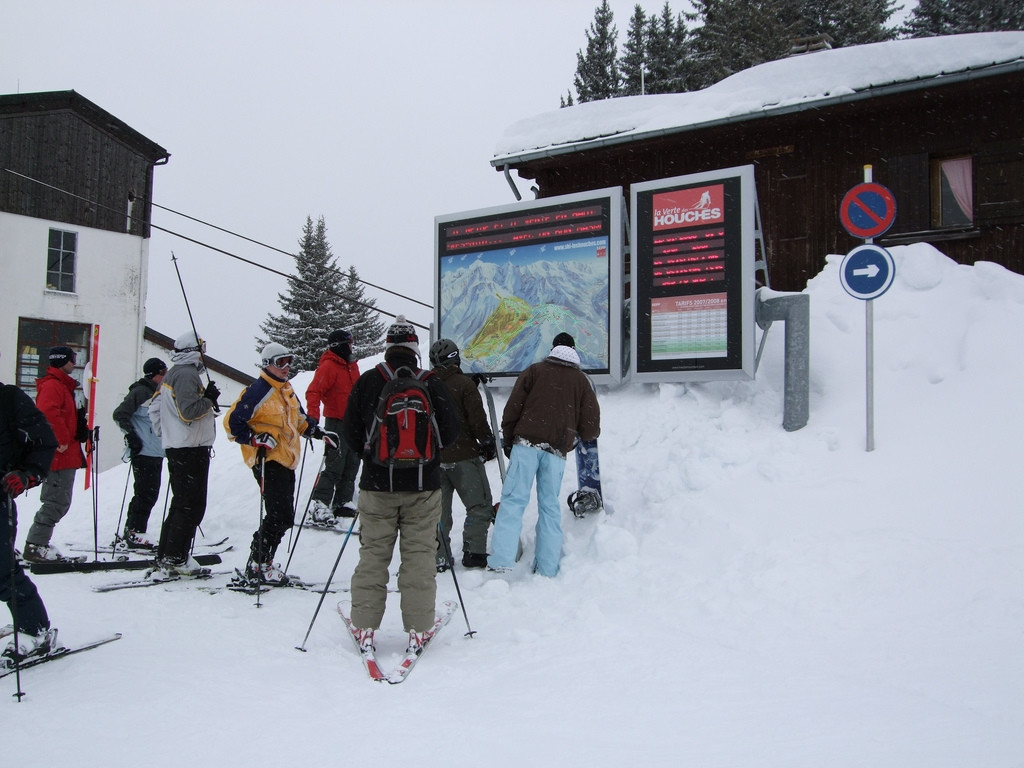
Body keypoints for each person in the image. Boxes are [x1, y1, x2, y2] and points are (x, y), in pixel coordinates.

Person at [341, 316, 459, 651]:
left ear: (388, 347)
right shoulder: (431, 383)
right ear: (414, 348)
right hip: (423, 487)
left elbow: (350, 434)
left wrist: (373, 456)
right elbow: (450, 433)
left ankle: (364, 625)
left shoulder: (368, 381)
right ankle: (418, 629)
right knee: (420, 556)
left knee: (373, 555)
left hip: (377, 487)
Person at [488, 332, 600, 578]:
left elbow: (512, 409)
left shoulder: (534, 371)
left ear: (553, 349)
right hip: (556, 452)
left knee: (513, 502)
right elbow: (591, 428)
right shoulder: (581, 382)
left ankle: (502, 562)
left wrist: (510, 440)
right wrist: (572, 436)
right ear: (574, 350)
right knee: (549, 507)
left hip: (526, 445)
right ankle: (547, 568)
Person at [224, 342, 334, 584]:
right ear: (267, 364)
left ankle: (262, 562)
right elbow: (232, 424)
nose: (286, 367)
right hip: (267, 460)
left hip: (286, 459)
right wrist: (254, 438)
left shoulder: (286, 389)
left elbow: (299, 419)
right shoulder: (258, 391)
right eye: (280, 362)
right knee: (280, 515)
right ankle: (258, 564)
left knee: (282, 515)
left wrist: (318, 433)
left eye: (289, 361)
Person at [1, 354, 60, 663]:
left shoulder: (9, 399)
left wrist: (27, 475)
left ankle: (34, 631)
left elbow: (44, 441)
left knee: (1, 571)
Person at [149, 331, 220, 578]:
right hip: (190, 448)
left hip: (180, 446)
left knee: (181, 503)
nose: (204, 354)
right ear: (194, 351)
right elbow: (188, 412)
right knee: (192, 505)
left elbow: (155, 407)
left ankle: (167, 554)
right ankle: (176, 557)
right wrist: (208, 399)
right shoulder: (187, 374)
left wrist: (167, 433)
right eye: (202, 349)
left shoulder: (173, 373)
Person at [428, 339, 497, 571]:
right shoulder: (464, 386)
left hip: (434, 459)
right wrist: (487, 441)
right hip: (464, 456)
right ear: (455, 358)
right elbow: (476, 419)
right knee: (479, 505)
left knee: (438, 511)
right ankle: (474, 552)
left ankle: (438, 556)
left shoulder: (425, 384)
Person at [22, 346, 86, 563]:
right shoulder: (53, 385)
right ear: (62, 360)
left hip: (64, 454)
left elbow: (60, 415)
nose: (75, 362)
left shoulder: (62, 385)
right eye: (72, 358)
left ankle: (38, 543)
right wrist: (62, 440)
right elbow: (48, 414)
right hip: (59, 455)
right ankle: (35, 545)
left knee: (58, 501)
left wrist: (78, 427)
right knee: (56, 502)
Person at [305, 329, 361, 526]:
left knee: (352, 463)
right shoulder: (329, 366)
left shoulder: (352, 365)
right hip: (336, 422)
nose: (352, 346)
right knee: (335, 464)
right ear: (341, 345)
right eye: (349, 343)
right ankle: (319, 504)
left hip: (354, 423)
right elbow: (314, 391)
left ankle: (342, 501)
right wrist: (313, 417)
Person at [111, 357, 167, 549]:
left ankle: (132, 530)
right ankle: (135, 531)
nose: (165, 376)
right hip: (144, 450)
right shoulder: (141, 391)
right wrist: (131, 436)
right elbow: (119, 414)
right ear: (153, 374)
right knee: (146, 493)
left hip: (155, 450)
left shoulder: (159, 393)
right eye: (163, 373)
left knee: (148, 492)